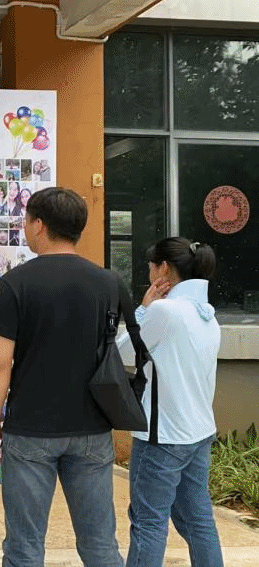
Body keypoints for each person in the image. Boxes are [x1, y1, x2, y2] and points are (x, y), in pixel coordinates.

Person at [0, 188, 124, 566]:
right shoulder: (107, 282)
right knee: (100, 544)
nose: (25, 227)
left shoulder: (16, 283)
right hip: (92, 427)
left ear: (39, 225)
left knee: (24, 547)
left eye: (27, 220)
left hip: (31, 428)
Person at [116, 238, 224, 567]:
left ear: (163, 268)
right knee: (199, 520)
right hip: (198, 433)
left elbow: (122, 352)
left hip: (162, 436)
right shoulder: (208, 315)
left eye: (151, 266)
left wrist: (143, 309)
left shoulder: (165, 311)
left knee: (148, 522)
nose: (149, 272)